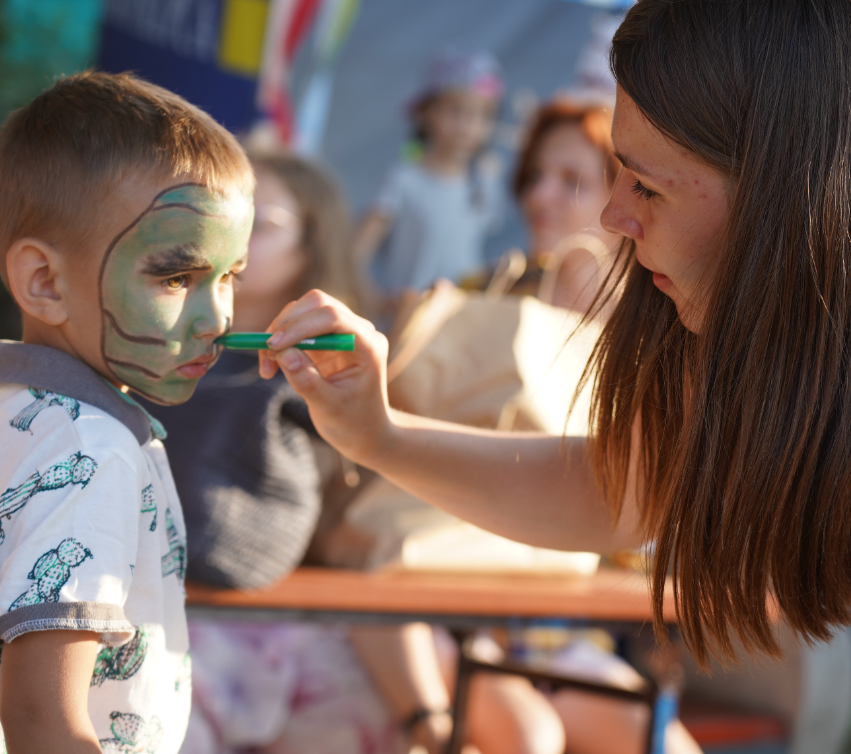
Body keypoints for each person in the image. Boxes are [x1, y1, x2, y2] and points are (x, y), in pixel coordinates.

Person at [260, 0, 851, 754]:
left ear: (786, 200)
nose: (613, 215)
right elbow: (627, 486)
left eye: (646, 185)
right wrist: (376, 435)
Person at [0, 72, 253, 754]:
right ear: (44, 281)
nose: (218, 319)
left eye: (230, 277)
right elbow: (42, 717)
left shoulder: (1, 408)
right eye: (175, 277)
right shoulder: (91, 451)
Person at [153, 149, 566, 754]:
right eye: (216, 218)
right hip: (240, 617)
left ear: (310, 243)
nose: (233, 242)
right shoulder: (156, 355)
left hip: (344, 606)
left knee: (522, 728)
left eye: (261, 224)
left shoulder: (347, 364)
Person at [355, 47, 506, 300]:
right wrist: (375, 300)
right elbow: (357, 252)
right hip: (406, 317)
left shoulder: (486, 181)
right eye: (455, 110)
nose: (467, 124)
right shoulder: (402, 179)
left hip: (461, 317)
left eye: (481, 114)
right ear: (426, 112)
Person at [465, 98, 622, 315]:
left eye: (573, 181)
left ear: (625, 197)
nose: (538, 195)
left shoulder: (657, 322)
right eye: (534, 176)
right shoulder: (480, 297)